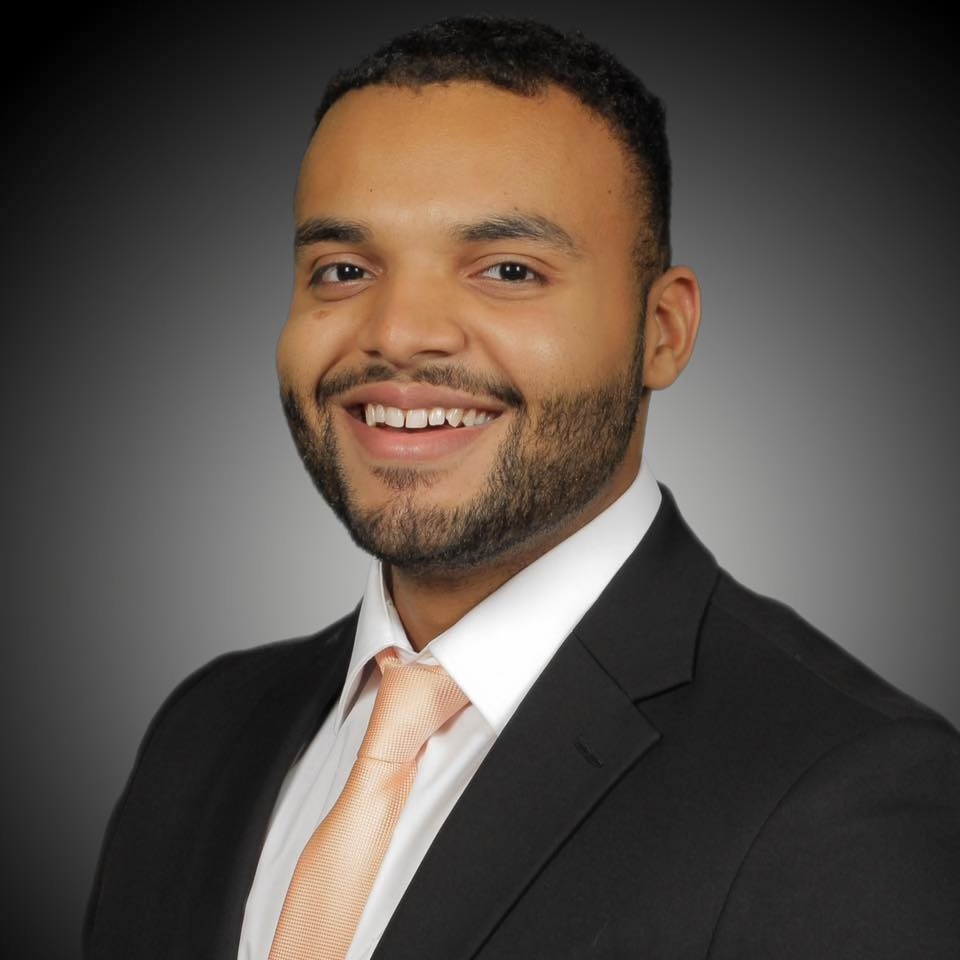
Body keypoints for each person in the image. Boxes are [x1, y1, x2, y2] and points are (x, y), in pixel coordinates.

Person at [84, 16, 960, 960]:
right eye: (343, 270)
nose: (401, 333)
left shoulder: (848, 795)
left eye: (508, 270)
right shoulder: (203, 732)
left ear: (662, 331)